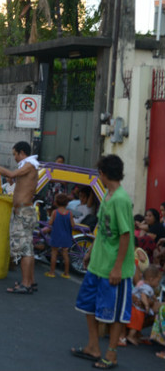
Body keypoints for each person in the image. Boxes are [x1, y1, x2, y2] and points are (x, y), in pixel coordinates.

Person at [70, 154, 135, 369]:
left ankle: (112, 354)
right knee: (88, 305)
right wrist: (90, 253)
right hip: (98, 264)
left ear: (103, 174)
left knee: (114, 314)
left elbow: (125, 235)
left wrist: (117, 267)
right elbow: (104, 230)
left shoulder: (121, 200)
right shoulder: (107, 195)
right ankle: (93, 346)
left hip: (113, 269)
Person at [0, 141, 39, 295]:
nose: (14, 158)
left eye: (14, 154)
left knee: (25, 249)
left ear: (21, 153)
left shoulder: (30, 164)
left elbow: (11, 174)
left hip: (23, 211)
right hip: (24, 211)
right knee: (28, 248)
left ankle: (26, 284)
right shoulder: (28, 165)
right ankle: (30, 281)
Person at [124, 265, 162, 346]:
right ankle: (130, 336)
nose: (158, 284)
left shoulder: (143, 284)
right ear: (151, 279)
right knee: (136, 323)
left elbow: (151, 295)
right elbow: (143, 295)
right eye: (157, 281)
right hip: (137, 308)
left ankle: (134, 335)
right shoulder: (146, 287)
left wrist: (154, 299)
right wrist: (147, 305)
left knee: (137, 323)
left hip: (135, 307)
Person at [45, 193, 75, 279]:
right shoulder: (70, 213)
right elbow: (73, 225)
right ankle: (66, 273)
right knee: (65, 255)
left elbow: (50, 223)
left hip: (56, 235)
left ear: (56, 203)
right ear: (67, 203)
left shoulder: (55, 212)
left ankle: (52, 272)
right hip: (66, 236)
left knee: (54, 253)